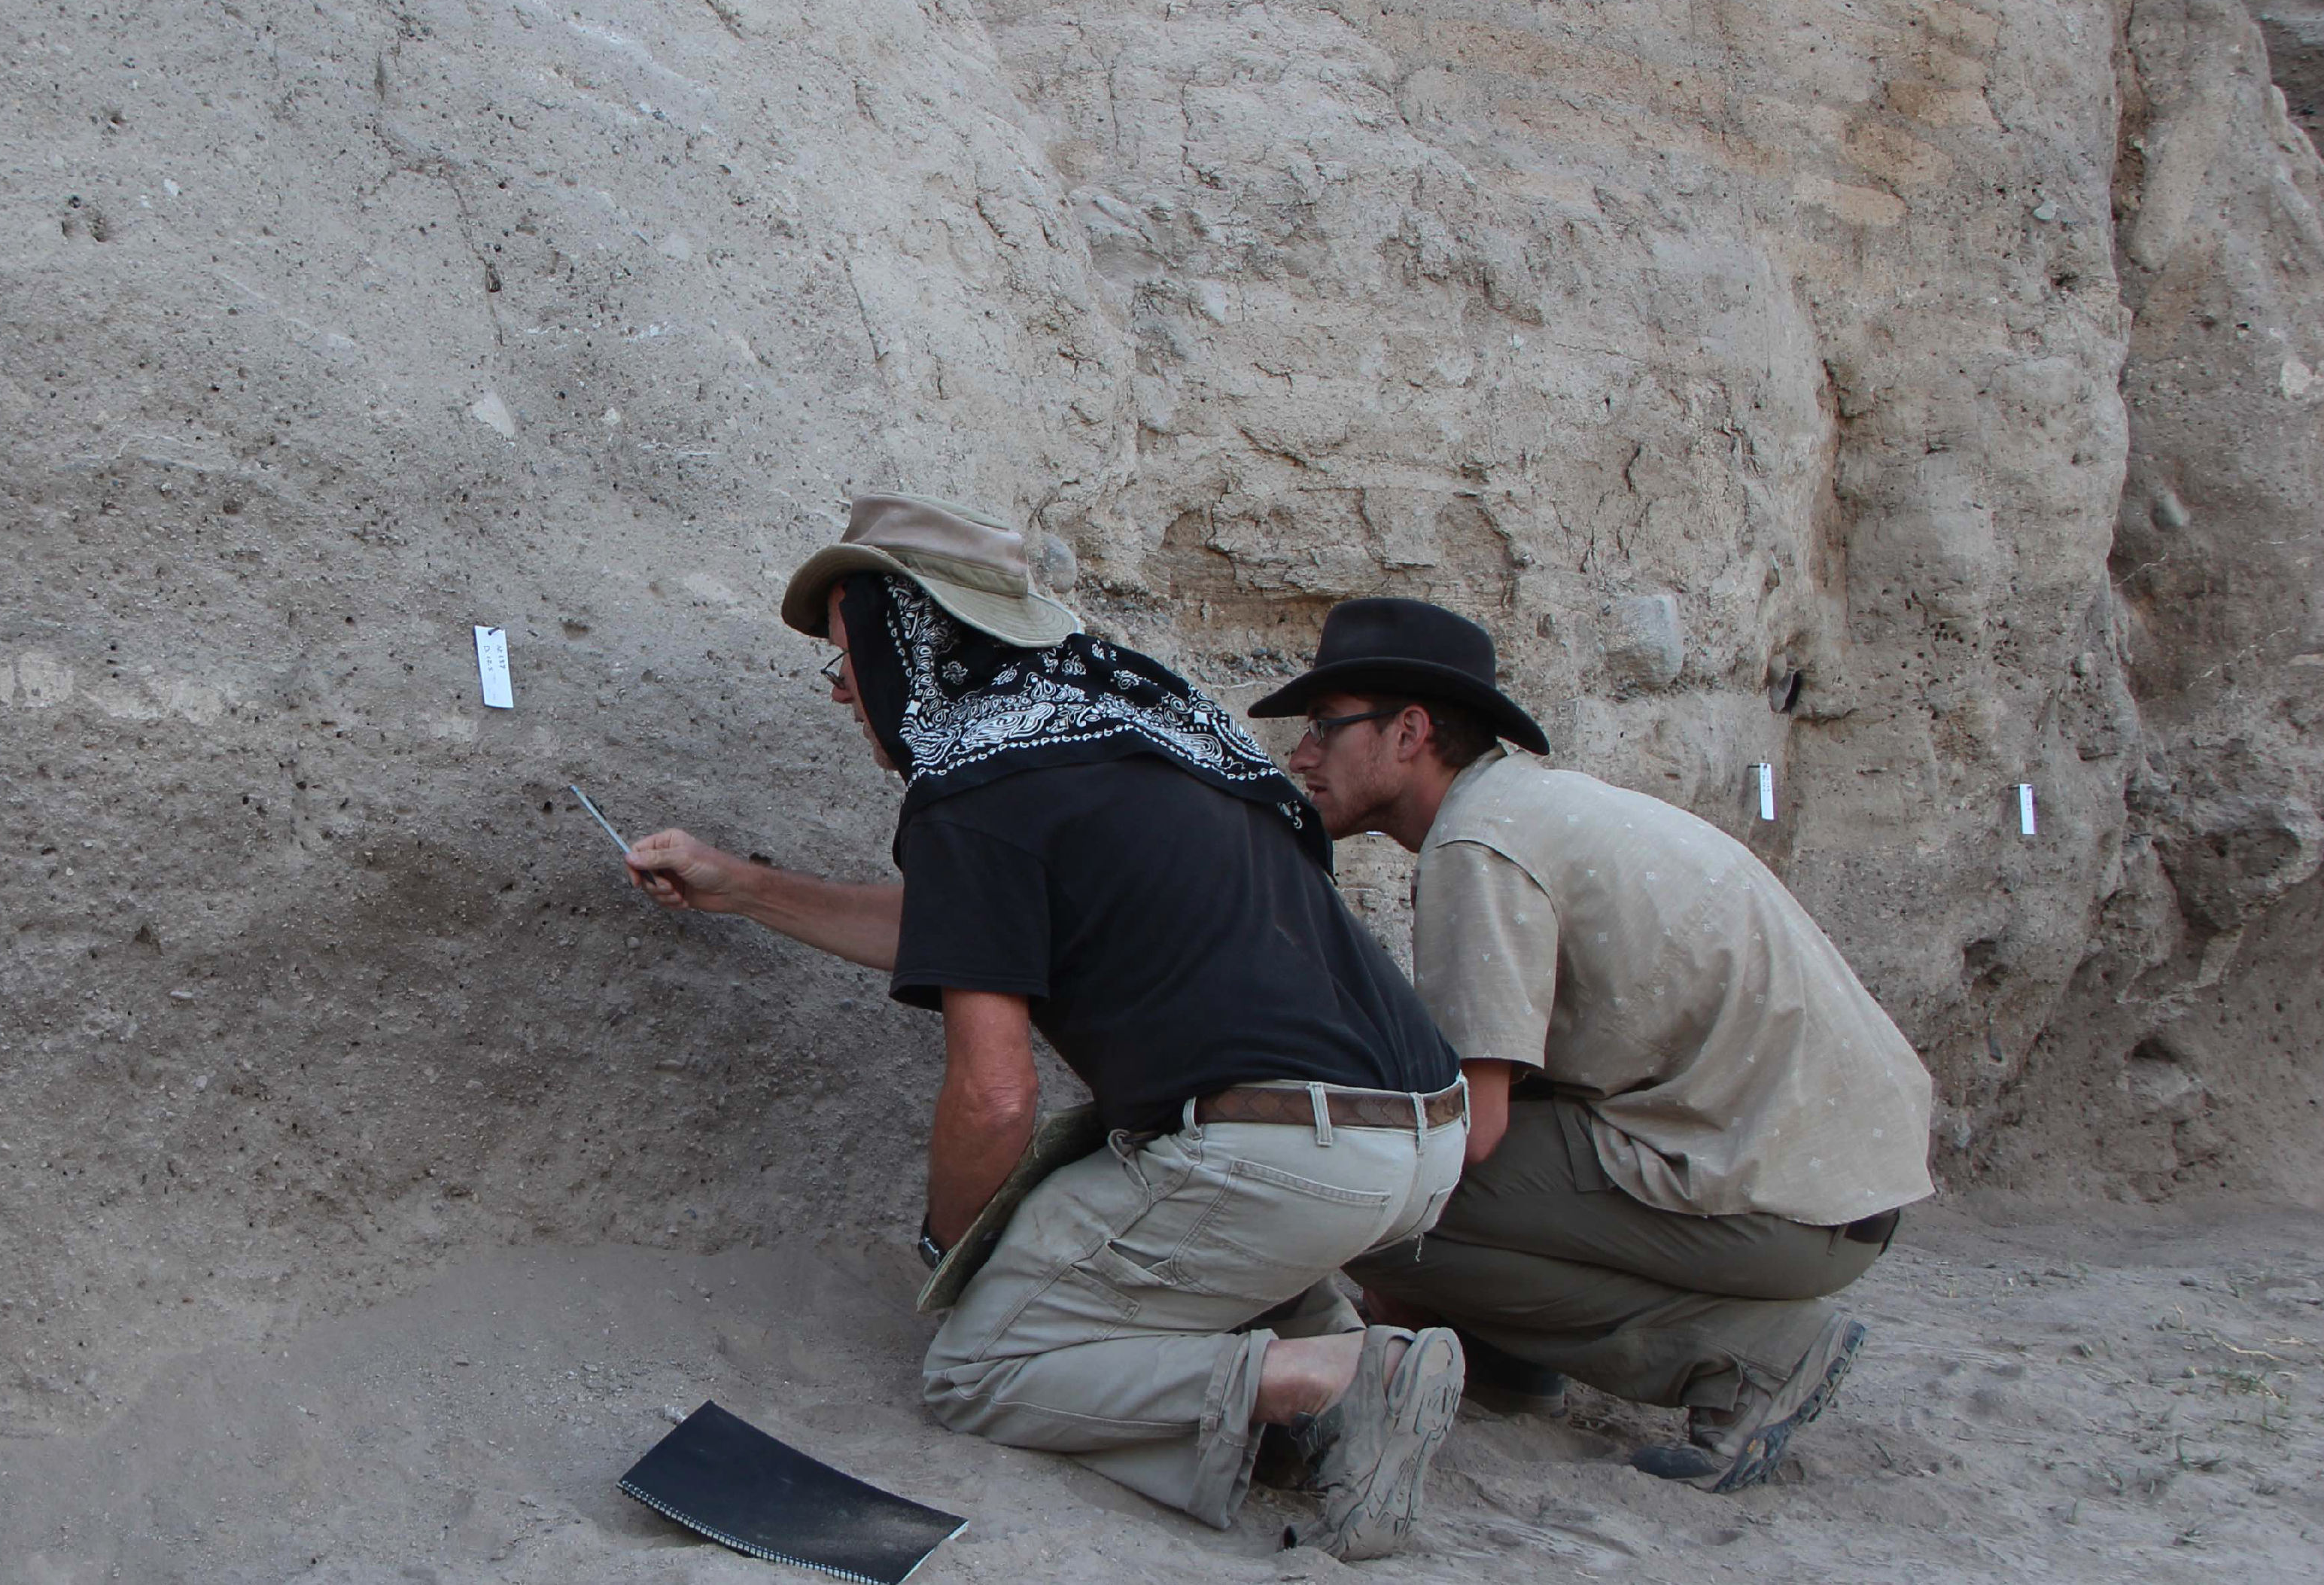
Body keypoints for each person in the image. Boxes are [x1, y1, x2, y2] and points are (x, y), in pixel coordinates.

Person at [625, 493, 1473, 1557]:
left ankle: (1334, 1379)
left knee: (982, 1368)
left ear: (911, 642)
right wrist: (739, 887)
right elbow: (969, 934)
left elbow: (995, 1096)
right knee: (1183, 1223)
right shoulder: (1143, 730)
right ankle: (1328, 1356)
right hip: (1419, 1137)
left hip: (1278, 1153)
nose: (843, 693)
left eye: (847, 660)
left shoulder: (975, 784)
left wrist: (956, 1249)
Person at [1249, 596, 1936, 1492]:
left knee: (1372, 1202)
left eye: (1325, 726)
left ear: (1408, 731)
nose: (1301, 755)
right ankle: (1504, 1359)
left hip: (1788, 1209)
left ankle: (1744, 1355)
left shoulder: (1477, 845)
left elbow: (1473, 1128)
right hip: (1831, 1182)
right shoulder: (1525, 807)